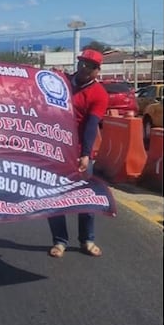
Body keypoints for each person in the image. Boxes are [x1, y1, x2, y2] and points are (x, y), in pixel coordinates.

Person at [48, 48, 109, 258]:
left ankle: (87, 240)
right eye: (81, 63)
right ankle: (59, 241)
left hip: (80, 151)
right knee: (55, 197)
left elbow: (92, 126)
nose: (83, 68)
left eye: (89, 66)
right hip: (55, 148)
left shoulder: (99, 94)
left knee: (85, 197)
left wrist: (85, 154)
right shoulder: (62, 83)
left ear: (97, 71)